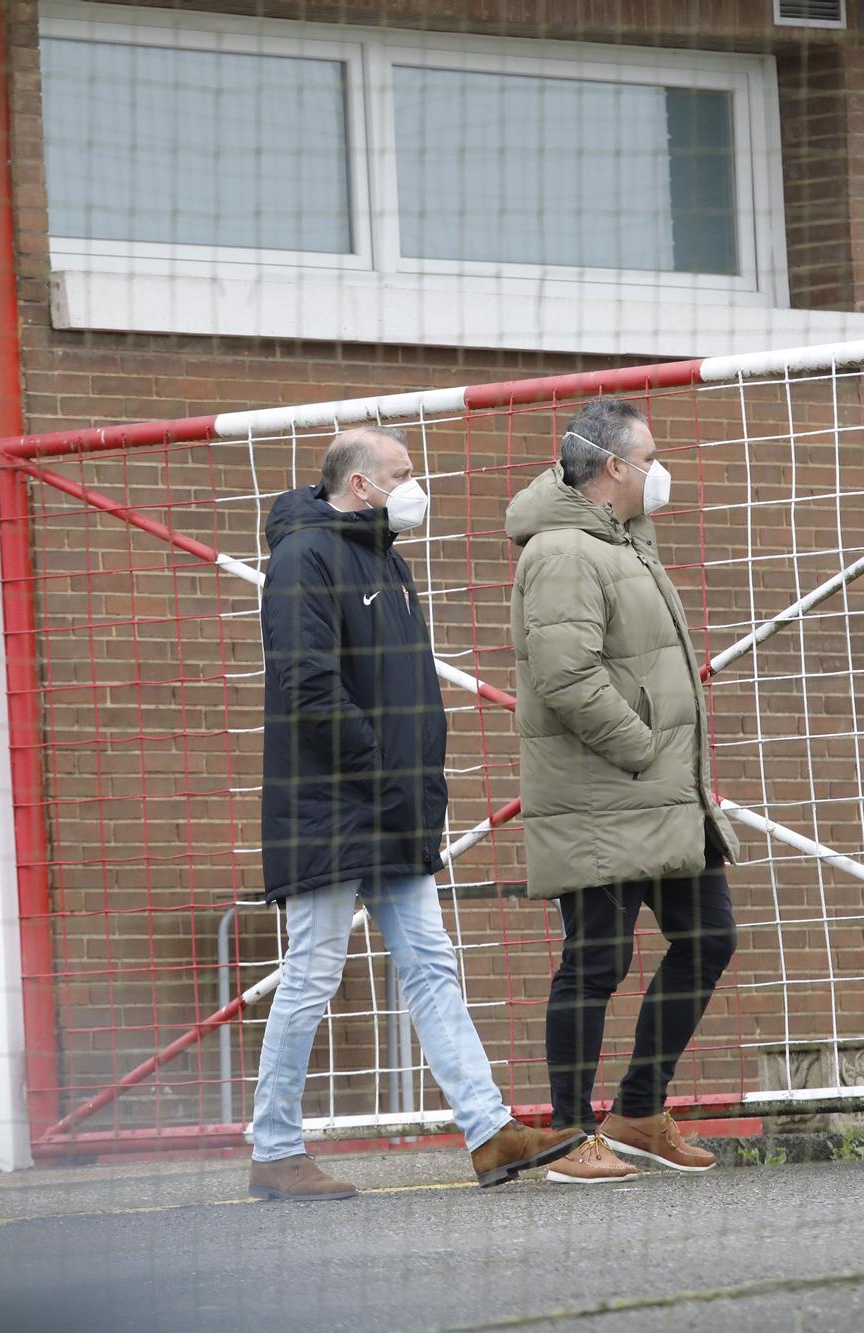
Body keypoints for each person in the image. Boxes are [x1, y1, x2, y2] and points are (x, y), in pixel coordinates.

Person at [250, 424, 583, 1201]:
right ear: (361, 484)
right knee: (311, 974)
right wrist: (380, 770)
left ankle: (489, 1131)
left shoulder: (385, 560)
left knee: (432, 964)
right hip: (331, 813)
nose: (414, 483)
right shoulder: (305, 557)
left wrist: (411, 787)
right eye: (402, 472)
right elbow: (306, 685)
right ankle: (274, 1147)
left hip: (393, 810)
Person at [505, 398, 741, 1185]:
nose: (660, 469)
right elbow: (566, 676)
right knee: (596, 961)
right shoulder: (566, 551)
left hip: (664, 796)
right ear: (614, 467)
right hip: (605, 796)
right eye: (651, 455)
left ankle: (638, 1110)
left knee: (708, 937)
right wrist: (643, 747)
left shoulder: (624, 540)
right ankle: (571, 1135)